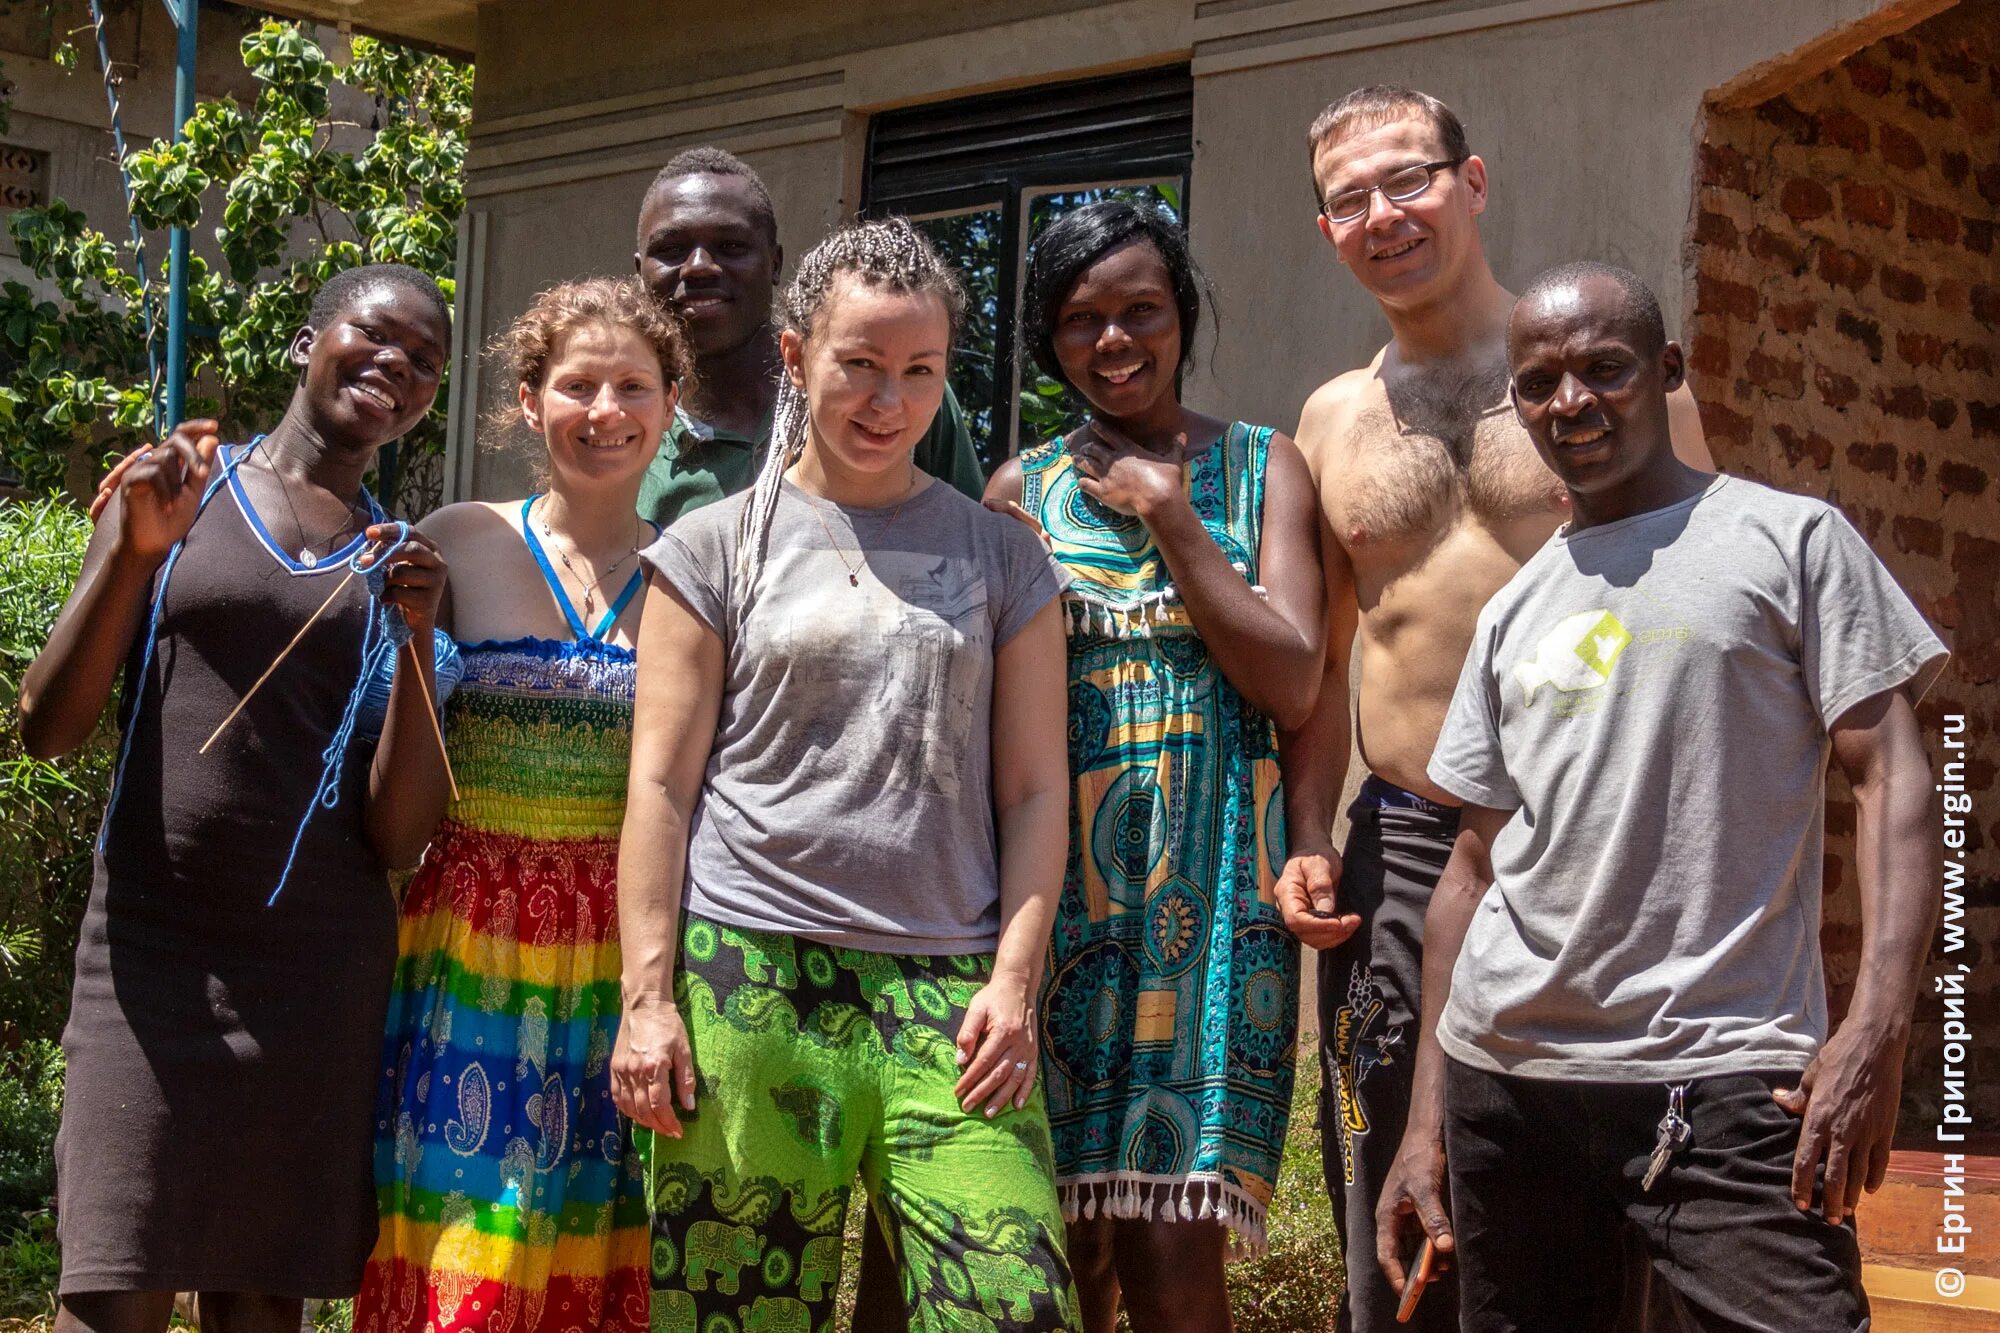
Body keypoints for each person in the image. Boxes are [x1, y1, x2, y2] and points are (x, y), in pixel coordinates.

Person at [1375, 261, 1946, 1330]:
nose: (1571, 401)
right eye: (1538, 383)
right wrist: (1423, 1127)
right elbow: (1468, 874)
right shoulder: (1515, 608)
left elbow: (1891, 777)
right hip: (1511, 1088)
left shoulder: (1790, 541)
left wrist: (1878, 1025)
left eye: (1605, 368)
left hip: (1725, 1079)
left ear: (1667, 369)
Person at [1276, 86, 1713, 1332]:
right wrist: (1305, 831)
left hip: (1600, 843)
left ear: (1470, 184)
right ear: (1325, 232)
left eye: (1406, 178)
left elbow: (1705, 614)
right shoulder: (1330, 420)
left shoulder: (1599, 377)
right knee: (1396, 1201)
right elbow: (1326, 658)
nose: (1382, 214)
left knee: (1613, 1196)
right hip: (1409, 843)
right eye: (1348, 199)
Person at [614, 217, 1080, 1332]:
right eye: (859, 364)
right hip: (748, 976)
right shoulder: (711, 546)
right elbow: (660, 789)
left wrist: (1013, 983)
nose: (888, 400)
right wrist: (647, 1000)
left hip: (949, 992)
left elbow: (1034, 790)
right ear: (794, 355)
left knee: (1013, 1308)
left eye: (920, 371)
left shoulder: (1003, 554)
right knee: (738, 1318)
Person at [21, 264, 454, 1333]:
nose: (396, 365)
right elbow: (49, 724)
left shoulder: (393, 565)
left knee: (260, 1305)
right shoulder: (179, 496)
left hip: (313, 985)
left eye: (424, 361)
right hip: (148, 962)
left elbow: (397, 836)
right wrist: (132, 553)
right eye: (375, 334)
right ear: (308, 342)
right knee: (111, 1293)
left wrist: (415, 638)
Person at [985, 200, 1323, 1331]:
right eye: (1082, 320)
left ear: (1183, 314)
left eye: (1142, 309)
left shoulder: (1264, 469)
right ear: (1048, 339)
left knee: (1174, 1245)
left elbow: (1294, 682)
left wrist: (1173, 517)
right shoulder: (1018, 494)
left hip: (1216, 907)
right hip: (1058, 903)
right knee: (1061, 1238)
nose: (1115, 340)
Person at [354, 277, 691, 1333]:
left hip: (625, 957)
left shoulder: (696, 569)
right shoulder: (456, 539)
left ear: (671, 404)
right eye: (577, 385)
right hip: (470, 946)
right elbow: (389, 754)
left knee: (600, 1256)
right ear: (529, 399)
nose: (605, 410)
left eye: (633, 385)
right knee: (464, 1252)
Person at [632, 146, 987, 525]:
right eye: (671, 249)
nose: (699, 267)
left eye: (731, 246)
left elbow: (969, 535)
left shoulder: (899, 395)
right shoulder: (626, 431)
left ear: (775, 263)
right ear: (640, 273)